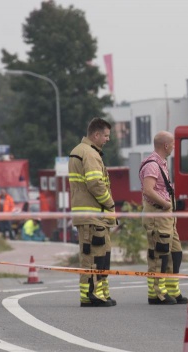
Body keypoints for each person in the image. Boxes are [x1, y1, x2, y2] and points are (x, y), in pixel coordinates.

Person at [69, 117, 117, 308]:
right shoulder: (89, 154)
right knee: (93, 258)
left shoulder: (83, 151)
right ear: (96, 135)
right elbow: (95, 184)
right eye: (105, 136)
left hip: (94, 216)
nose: (107, 139)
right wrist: (111, 204)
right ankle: (91, 295)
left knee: (101, 257)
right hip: (92, 215)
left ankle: (100, 293)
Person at [140, 131, 188, 305]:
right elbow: (148, 189)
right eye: (173, 144)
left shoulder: (161, 163)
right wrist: (166, 204)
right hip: (157, 214)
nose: (174, 147)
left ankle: (172, 290)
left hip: (166, 216)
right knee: (159, 253)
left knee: (175, 252)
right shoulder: (152, 165)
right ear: (166, 145)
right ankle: (157, 293)